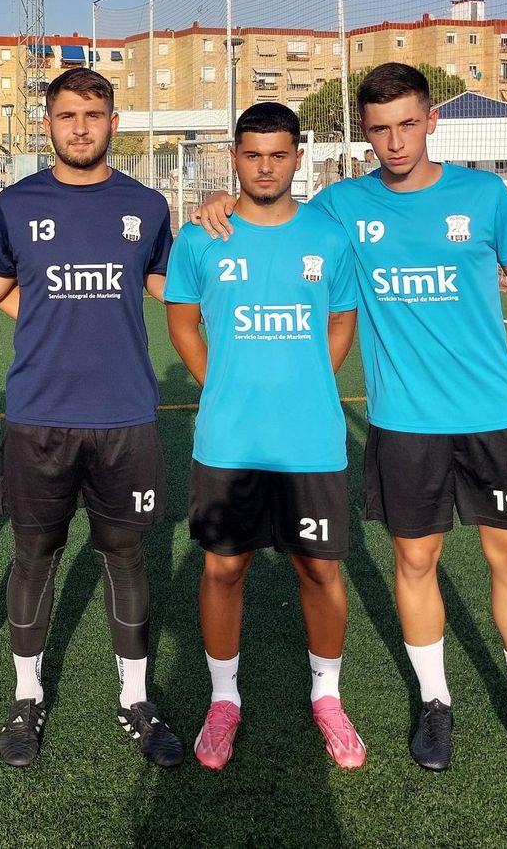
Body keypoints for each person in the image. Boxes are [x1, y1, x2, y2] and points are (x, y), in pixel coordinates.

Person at [190, 63, 507, 782]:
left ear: (432, 120)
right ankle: (435, 703)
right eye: (379, 129)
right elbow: (270, 198)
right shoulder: (344, 205)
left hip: (492, 414)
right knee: (416, 562)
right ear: (365, 134)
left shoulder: (483, 194)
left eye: (407, 123)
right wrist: (216, 200)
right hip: (403, 421)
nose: (395, 141)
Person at [0, 67, 183, 769]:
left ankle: (136, 698)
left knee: (125, 554)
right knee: (35, 555)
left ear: (113, 121)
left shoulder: (144, 206)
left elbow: (173, 285)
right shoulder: (18, 204)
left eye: (93, 114)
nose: (80, 127)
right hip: (39, 417)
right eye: (66, 115)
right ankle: (25, 697)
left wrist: (225, 226)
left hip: (124, 415)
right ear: (48, 124)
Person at [164, 102, 365, 772]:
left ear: (298, 157)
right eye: (253, 155)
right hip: (228, 439)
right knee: (225, 568)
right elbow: (183, 324)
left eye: (279, 154)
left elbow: (341, 323)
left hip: (309, 438)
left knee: (319, 569)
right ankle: (224, 701)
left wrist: (305, 378)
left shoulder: (329, 237)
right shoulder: (201, 238)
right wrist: (221, 380)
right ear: (235, 157)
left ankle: (327, 699)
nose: (266, 166)